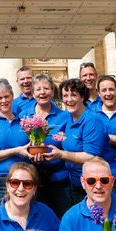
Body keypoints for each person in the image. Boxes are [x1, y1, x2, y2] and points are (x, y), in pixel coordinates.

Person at [43, 78, 107, 215]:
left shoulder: (92, 120)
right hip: (74, 183)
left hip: (93, 184)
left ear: (82, 97)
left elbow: (91, 156)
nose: (69, 99)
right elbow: (61, 138)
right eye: (65, 96)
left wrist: (61, 154)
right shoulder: (69, 118)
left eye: (74, 95)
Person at [0, 79, 34, 213]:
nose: (4, 101)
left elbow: (31, 147)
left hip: (22, 181)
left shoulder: (24, 122)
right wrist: (16, 151)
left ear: (12, 95)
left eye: (7, 96)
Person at [23, 74, 68, 214]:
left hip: (59, 178)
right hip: (32, 178)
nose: (42, 92)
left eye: (46, 88)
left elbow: (67, 145)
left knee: (61, 216)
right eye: (38, 89)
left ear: (53, 91)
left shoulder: (64, 116)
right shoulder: (23, 115)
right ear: (32, 93)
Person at [93, 75, 116, 185]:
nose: (108, 93)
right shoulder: (92, 115)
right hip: (101, 176)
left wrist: (101, 136)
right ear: (98, 93)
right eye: (104, 90)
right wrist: (115, 138)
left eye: (111, 89)